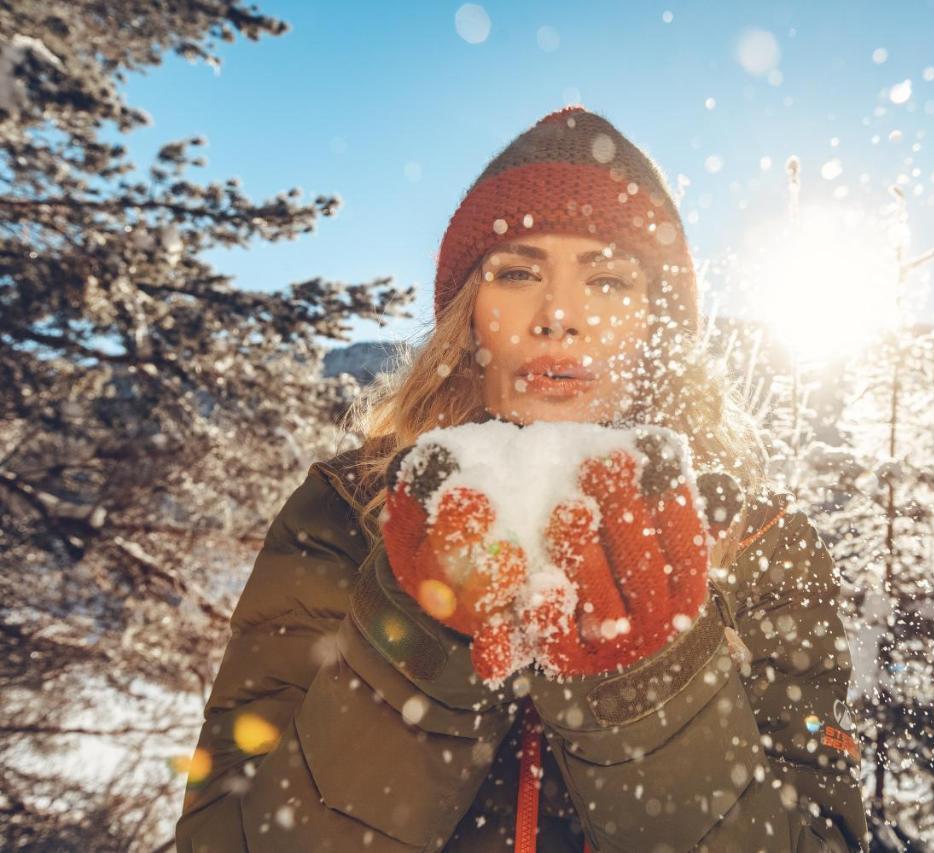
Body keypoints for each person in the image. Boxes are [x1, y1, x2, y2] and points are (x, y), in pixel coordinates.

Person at [174, 106, 870, 853]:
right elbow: (226, 838)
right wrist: (416, 643)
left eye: (608, 279)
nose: (560, 315)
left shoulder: (755, 539)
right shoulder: (347, 513)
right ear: (468, 318)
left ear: (656, 327)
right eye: (516, 273)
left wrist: (646, 690)